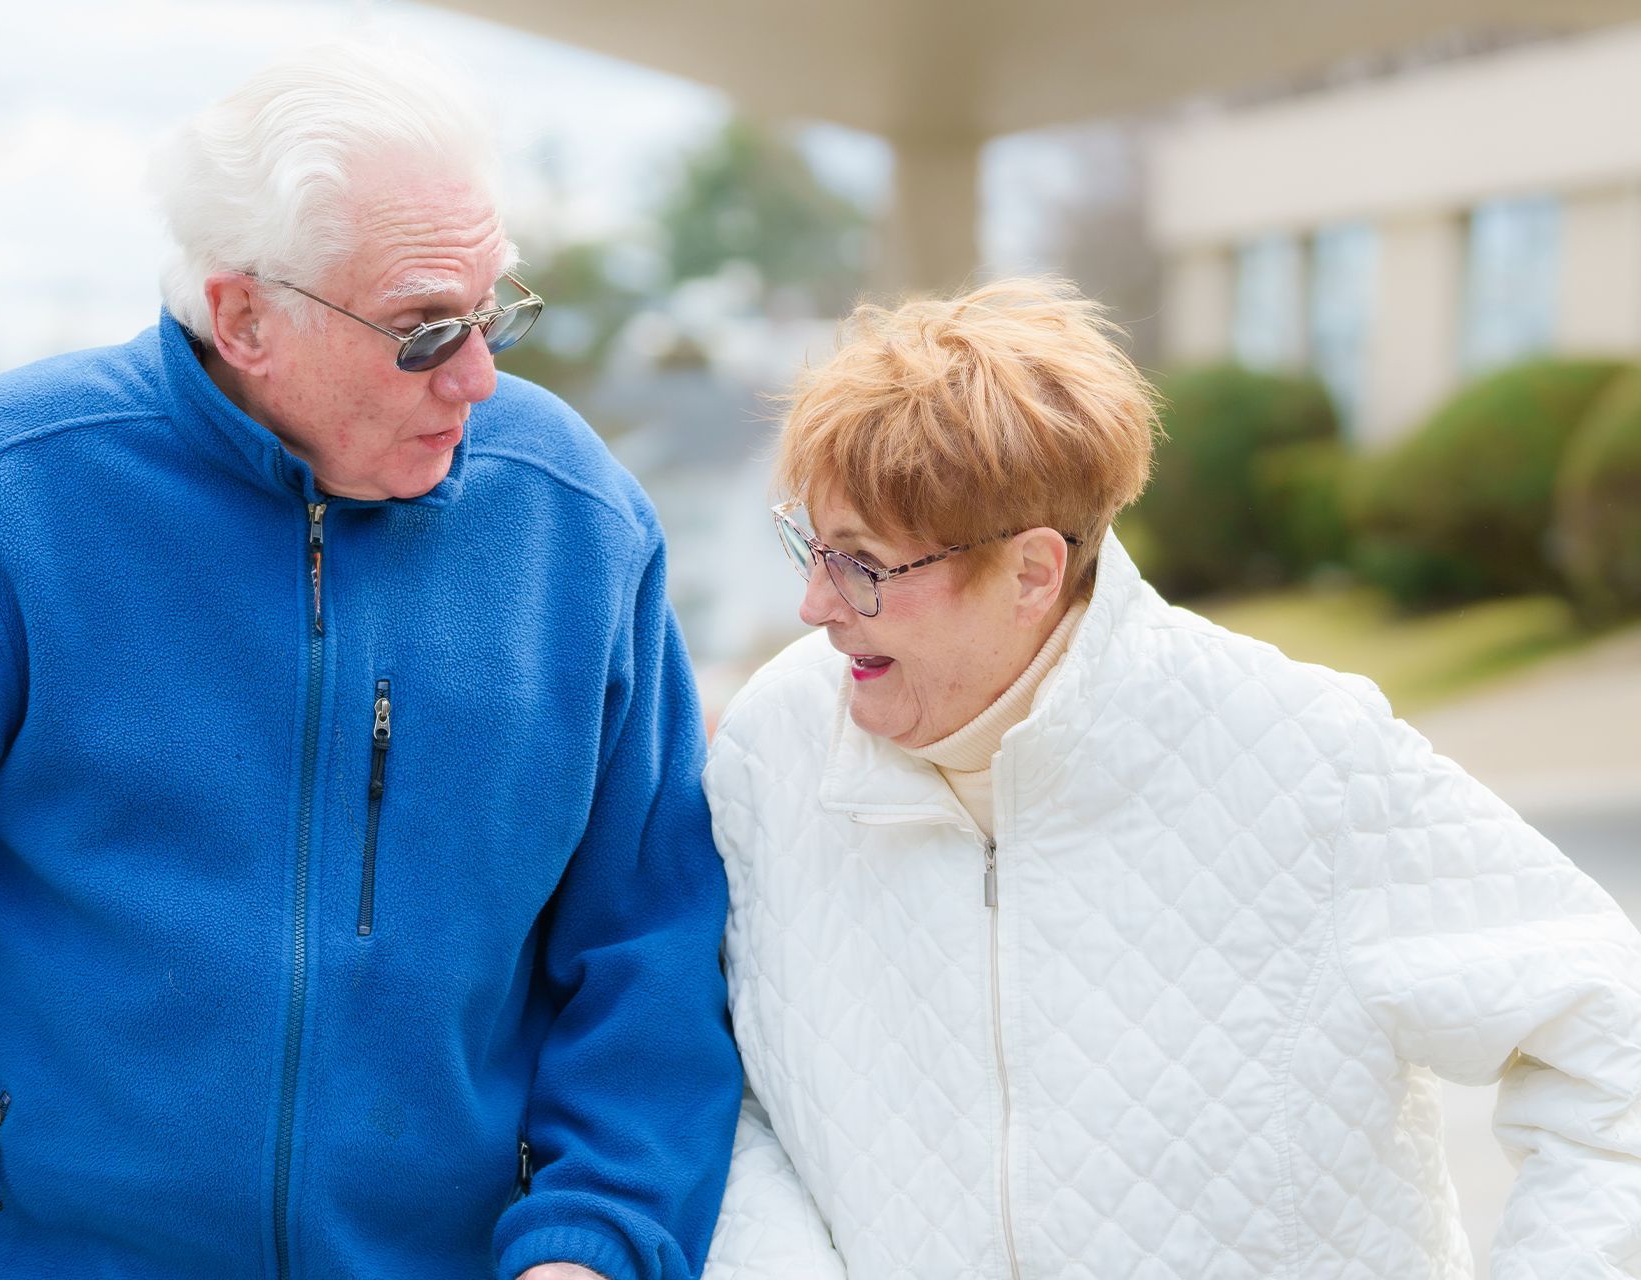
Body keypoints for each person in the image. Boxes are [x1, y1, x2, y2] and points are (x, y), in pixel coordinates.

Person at [0, 41, 740, 1280]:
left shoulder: (578, 522)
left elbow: (655, 948)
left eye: (496, 309)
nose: (479, 374)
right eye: (425, 332)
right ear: (245, 313)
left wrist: (595, 1246)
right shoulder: (0, 499)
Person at [699, 278, 1641, 1279]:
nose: (813, 602)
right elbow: (719, 1091)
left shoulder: (1303, 755)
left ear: (1031, 571)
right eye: (810, 544)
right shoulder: (771, 746)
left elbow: (1607, 1035)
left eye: (864, 565)